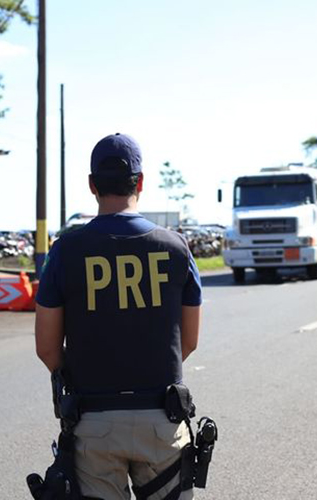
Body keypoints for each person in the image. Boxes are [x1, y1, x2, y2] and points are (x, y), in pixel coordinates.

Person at [34, 133, 203, 500]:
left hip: (93, 424)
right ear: (140, 182)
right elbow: (188, 341)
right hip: (163, 418)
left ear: (92, 185)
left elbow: (47, 347)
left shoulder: (66, 251)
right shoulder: (176, 248)